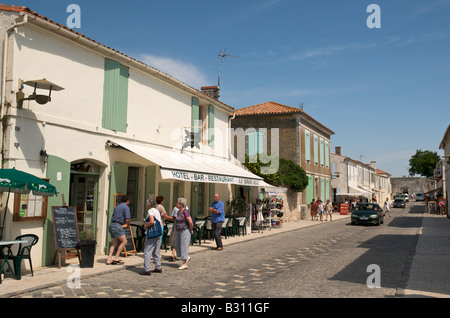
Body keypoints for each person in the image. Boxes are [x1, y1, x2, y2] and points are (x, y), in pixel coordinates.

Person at [140, 199, 163, 275]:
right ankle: (158, 266)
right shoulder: (156, 211)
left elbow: (152, 221)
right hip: (158, 232)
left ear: (148, 205)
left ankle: (146, 269)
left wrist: (145, 225)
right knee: (156, 250)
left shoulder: (150, 211)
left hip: (152, 233)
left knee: (147, 251)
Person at [107, 195, 131, 265]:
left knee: (114, 243)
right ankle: (116, 257)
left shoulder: (117, 206)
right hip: (118, 225)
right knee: (124, 241)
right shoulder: (126, 207)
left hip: (111, 225)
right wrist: (128, 225)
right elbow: (127, 219)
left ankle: (109, 259)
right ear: (127, 201)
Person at [175, 197, 193, 270]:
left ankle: (184, 263)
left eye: (177, 202)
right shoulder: (178, 211)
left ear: (181, 204)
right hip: (178, 231)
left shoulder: (185, 211)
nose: (176, 203)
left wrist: (191, 229)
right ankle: (186, 256)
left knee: (184, 246)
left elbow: (190, 221)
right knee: (177, 245)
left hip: (185, 230)